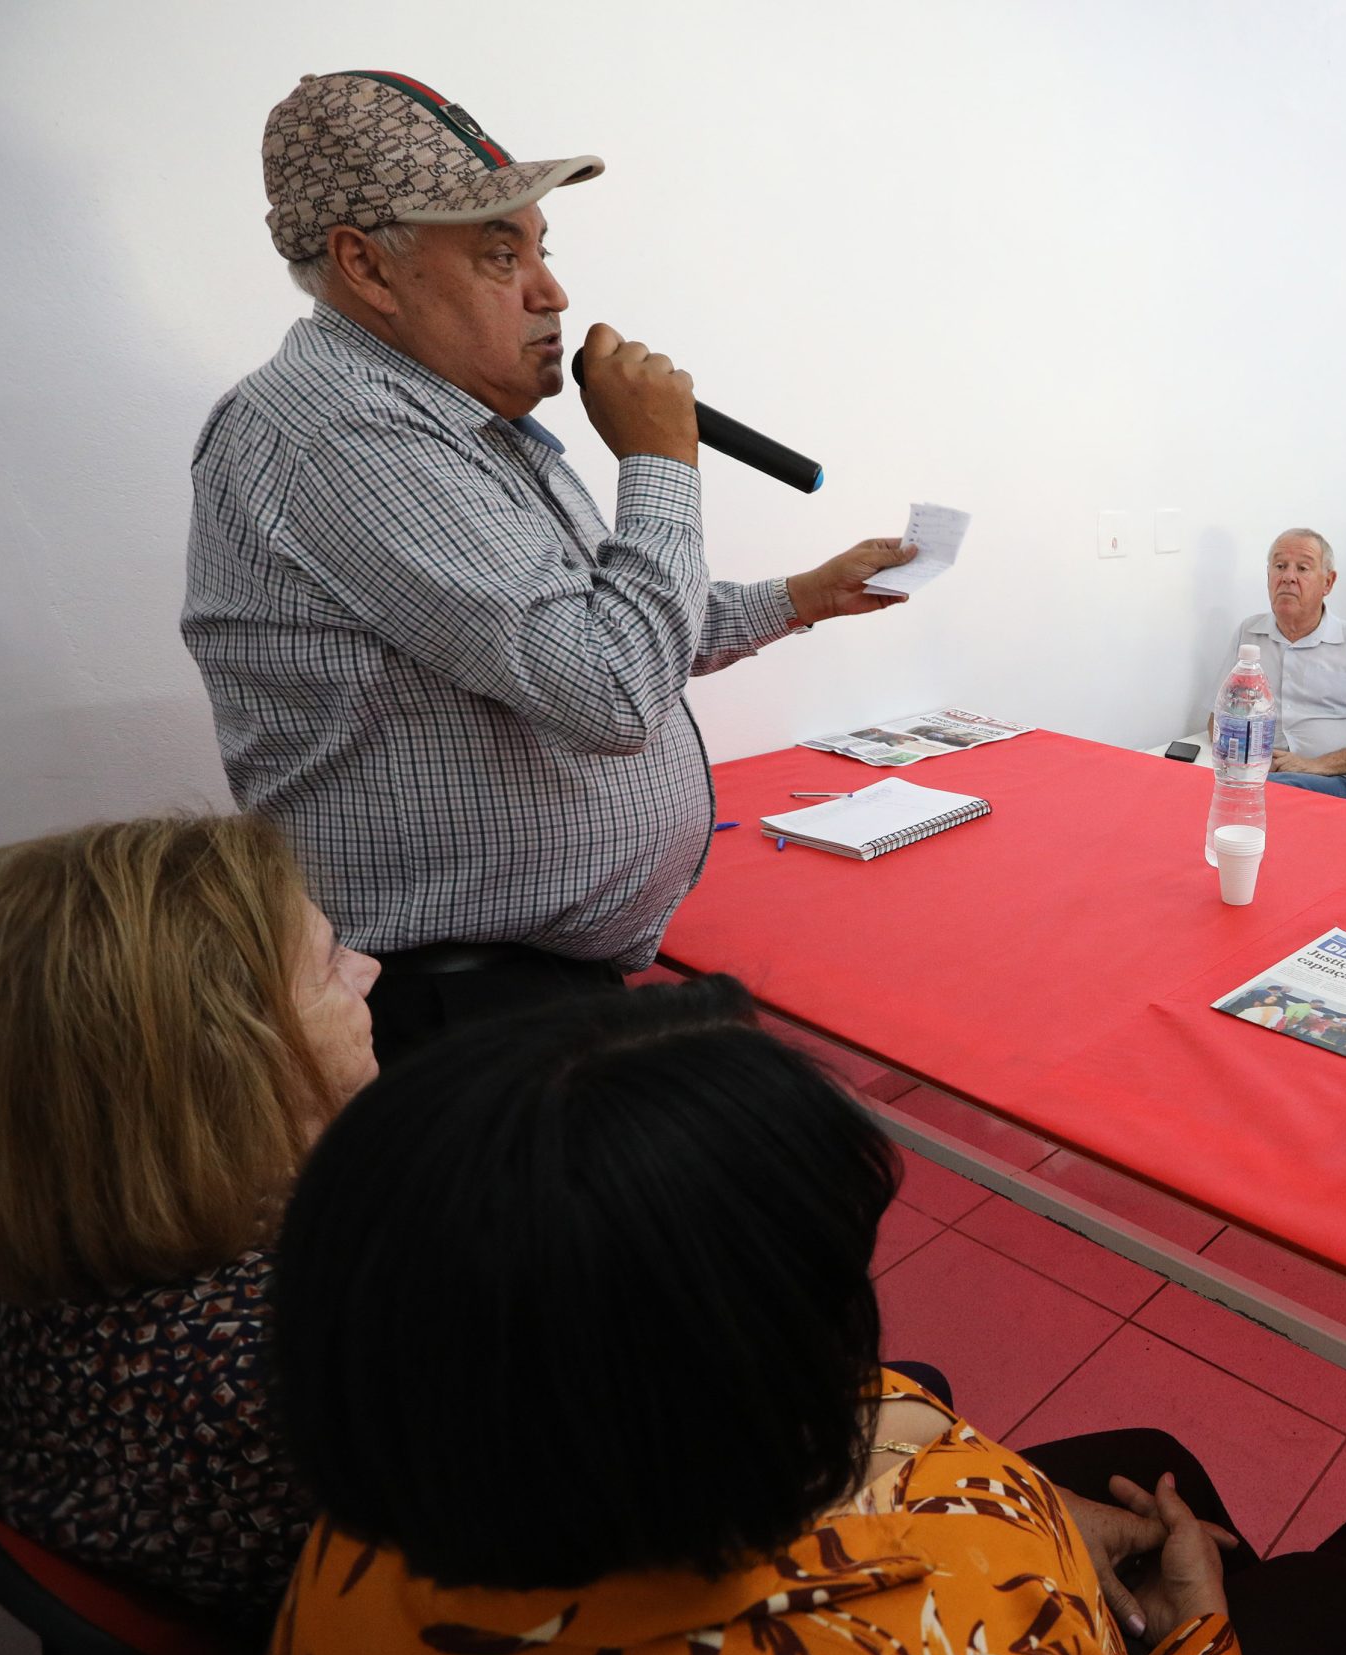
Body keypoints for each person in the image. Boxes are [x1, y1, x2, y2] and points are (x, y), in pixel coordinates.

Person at [267, 978, 1346, 1655]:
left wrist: (1022, 1520)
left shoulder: (377, 1536)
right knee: (1320, 1610)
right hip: (1019, 1617)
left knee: (1154, 1462)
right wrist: (1194, 1630)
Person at [184, 74, 921, 1066]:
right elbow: (611, 683)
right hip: (443, 1005)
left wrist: (797, 599)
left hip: (518, 984)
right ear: (367, 268)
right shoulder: (343, 434)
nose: (552, 292)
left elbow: (598, 626)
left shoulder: (453, 427)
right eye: (500, 256)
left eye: (541, 248)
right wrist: (660, 462)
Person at [0, 815, 380, 1632]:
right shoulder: (307, 1368)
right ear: (228, 1054)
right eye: (327, 966)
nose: (370, 970)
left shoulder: (56, 1261)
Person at [1224, 529, 1346, 801]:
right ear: (1268, 577)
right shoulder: (1248, 634)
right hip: (1257, 774)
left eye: (1302, 568)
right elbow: (1219, 716)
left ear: (1328, 583)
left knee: (1273, 793)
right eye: (1279, 566)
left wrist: (1314, 766)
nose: (1288, 576)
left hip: (1341, 781)